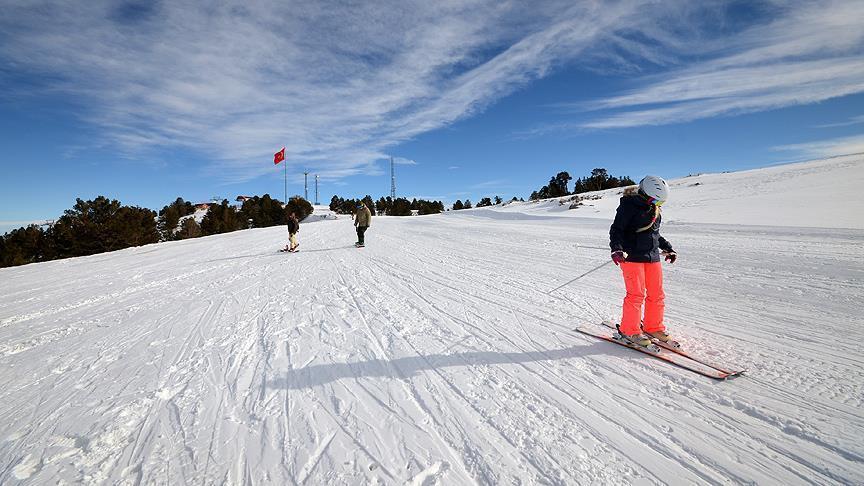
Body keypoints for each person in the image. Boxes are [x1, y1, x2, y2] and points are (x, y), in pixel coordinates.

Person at [609, 175, 677, 347]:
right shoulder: (628, 206)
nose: (658, 205)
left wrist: (667, 247)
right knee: (636, 295)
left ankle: (653, 327)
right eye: (656, 201)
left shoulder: (654, 209)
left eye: (661, 203)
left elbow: (653, 233)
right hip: (631, 257)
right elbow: (617, 230)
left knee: (657, 294)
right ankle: (629, 330)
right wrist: (616, 249)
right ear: (646, 193)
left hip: (652, 256)